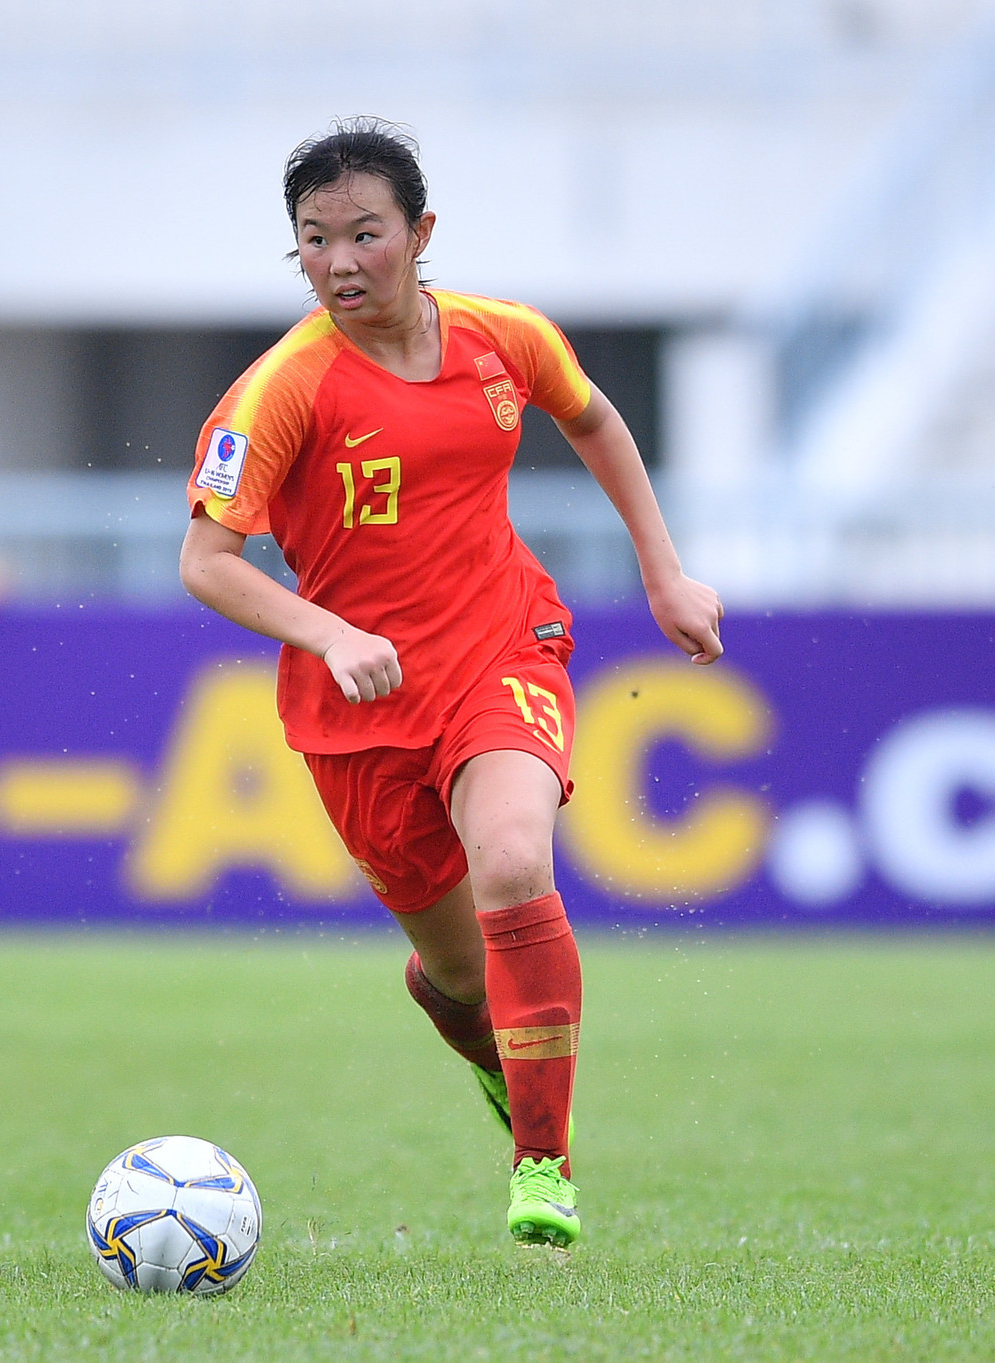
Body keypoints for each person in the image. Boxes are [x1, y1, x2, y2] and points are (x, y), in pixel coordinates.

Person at [178, 120, 723, 1249]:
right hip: (363, 709)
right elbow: (206, 565)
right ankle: (489, 1051)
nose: (338, 261)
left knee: (516, 860)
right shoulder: (280, 390)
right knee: (460, 978)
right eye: (313, 241)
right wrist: (327, 632)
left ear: (419, 234)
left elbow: (595, 418)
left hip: (500, 647)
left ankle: (543, 1164)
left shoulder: (503, 338)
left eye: (363, 234)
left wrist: (664, 571)